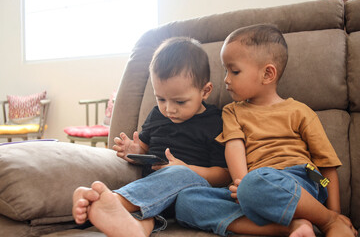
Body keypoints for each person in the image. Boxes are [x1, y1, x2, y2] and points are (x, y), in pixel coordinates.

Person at [174, 24, 358, 237]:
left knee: (262, 182)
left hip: (304, 175)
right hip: (252, 187)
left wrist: (334, 212)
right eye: (225, 70)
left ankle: (326, 221)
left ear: (268, 74)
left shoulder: (300, 111)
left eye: (234, 71)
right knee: (186, 202)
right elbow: (234, 147)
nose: (226, 78)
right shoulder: (232, 111)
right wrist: (241, 185)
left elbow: (325, 165)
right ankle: (294, 226)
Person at [72, 37, 231, 237]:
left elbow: (224, 174)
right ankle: (134, 230)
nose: (169, 109)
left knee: (178, 176)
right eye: (161, 98)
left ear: (205, 91)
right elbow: (145, 148)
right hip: (154, 195)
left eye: (180, 102)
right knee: (147, 212)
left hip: (192, 190)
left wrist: (186, 169)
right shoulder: (157, 115)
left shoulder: (215, 122)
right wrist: (134, 150)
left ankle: (112, 201)